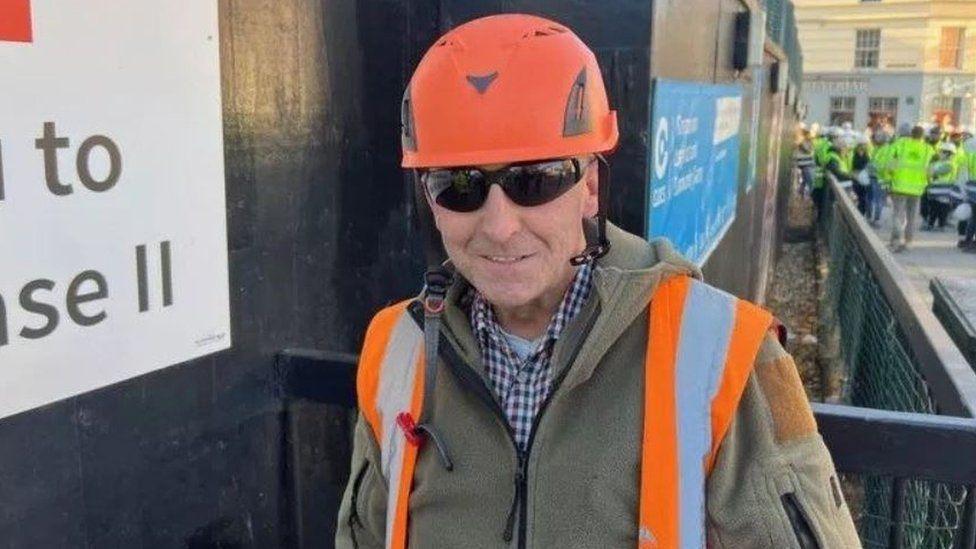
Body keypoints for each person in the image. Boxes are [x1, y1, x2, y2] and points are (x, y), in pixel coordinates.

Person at [335, 14, 860, 549]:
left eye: (533, 181)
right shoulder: (395, 350)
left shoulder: (723, 353)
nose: (498, 226)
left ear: (588, 187)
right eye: (460, 186)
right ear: (431, 202)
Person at [888, 125, 933, 252]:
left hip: (899, 185)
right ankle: (908, 242)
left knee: (898, 214)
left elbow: (891, 165)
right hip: (917, 188)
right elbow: (930, 171)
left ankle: (895, 239)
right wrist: (928, 181)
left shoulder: (901, 146)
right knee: (912, 216)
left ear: (910, 134)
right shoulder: (927, 149)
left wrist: (889, 177)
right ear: (922, 136)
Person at [923, 142, 959, 231]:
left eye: (942, 151)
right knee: (934, 208)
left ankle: (941, 226)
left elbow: (934, 172)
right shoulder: (938, 162)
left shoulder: (950, 164)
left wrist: (931, 171)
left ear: (948, 153)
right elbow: (928, 172)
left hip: (945, 191)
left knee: (942, 209)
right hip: (935, 190)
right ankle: (930, 224)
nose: (940, 153)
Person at [869, 129, 894, 226]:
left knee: (879, 200)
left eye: (877, 137)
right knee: (876, 199)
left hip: (882, 178)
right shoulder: (877, 148)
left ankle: (877, 219)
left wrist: (873, 167)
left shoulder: (886, 149)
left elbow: (882, 164)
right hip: (875, 177)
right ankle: (874, 218)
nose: (875, 139)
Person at [959, 137, 976, 251]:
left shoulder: (970, 156)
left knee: (973, 217)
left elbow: (964, 176)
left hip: (972, 190)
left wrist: (964, 192)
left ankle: (968, 240)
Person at [851, 134, 873, 216]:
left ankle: (861, 214)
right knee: (859, 197)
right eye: (863, 144)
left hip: (862, 177)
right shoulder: (854, 153)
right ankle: (859, 214)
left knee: (862, 197)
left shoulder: (866, 153)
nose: (864, 146)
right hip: (857, 177)